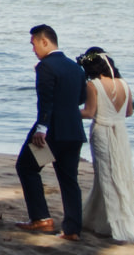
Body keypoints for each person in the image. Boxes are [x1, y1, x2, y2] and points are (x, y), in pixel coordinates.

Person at [78, 47, 134, 247]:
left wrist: (67, 111)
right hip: (120, 132)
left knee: (106, 176)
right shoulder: (125, 84)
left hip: (102, 131)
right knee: (119, 172)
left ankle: (113, 222)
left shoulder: (94, 85)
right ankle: (101, 220)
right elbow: (128, 112)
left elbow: (89, 112)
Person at [16, 23, 86, 238]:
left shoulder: (46, 66)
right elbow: (81, 98)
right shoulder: (76, 68)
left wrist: (41, 128)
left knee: (26, 167)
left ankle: (41, 218)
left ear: (45, 41)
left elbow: (45, 100)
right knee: (69, 180)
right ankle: (72, 229)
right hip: (74, 131)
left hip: (51, 133)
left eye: (34, 44)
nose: (33, 50)